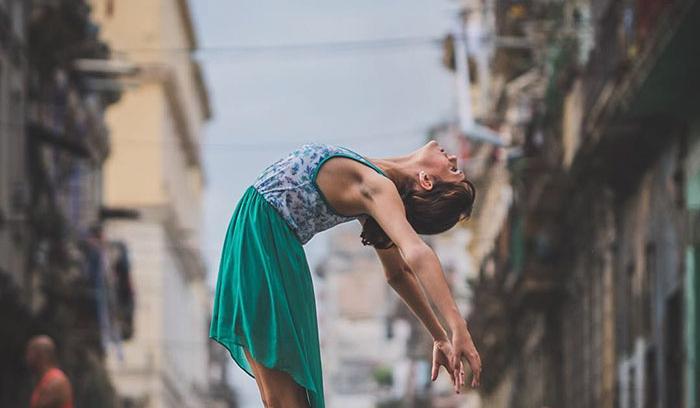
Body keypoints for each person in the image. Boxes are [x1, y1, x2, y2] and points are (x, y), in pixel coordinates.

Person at [210, 141, 482, 408]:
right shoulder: (377, 187)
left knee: (281, 399)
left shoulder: (378, 188)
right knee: (277, 398)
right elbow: (397, 274)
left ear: (426, 181)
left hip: (266, 243)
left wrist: (457, 327)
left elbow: (413, 255)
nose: (455, 160)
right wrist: (439, 336)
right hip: (258, 238)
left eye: (454, 172)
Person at [26, 335, 74, 408]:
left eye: (30, 353)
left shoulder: (55, 381)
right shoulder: (45, 380)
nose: (27, 358)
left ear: (41, 355)